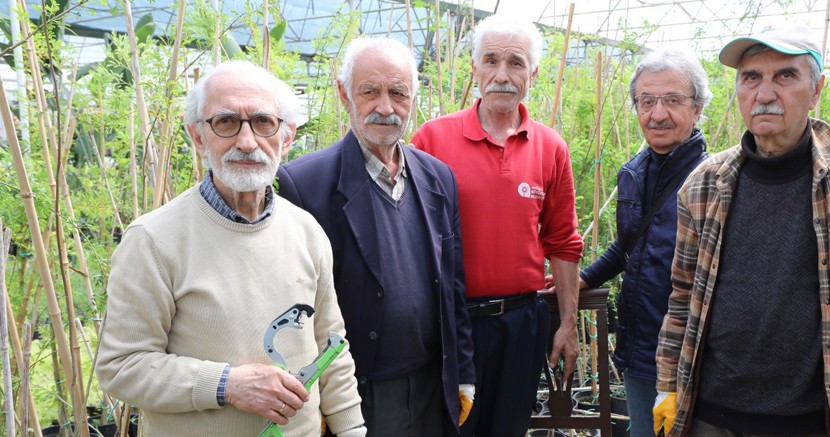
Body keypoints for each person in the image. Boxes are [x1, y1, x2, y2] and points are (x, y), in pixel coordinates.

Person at [653, 24, 830, 437]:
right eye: (751, 78)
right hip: (711, 414)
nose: (764, 94)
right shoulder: (705, 184)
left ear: (816, 89)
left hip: (816, 419)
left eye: (785, 75)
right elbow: (682, 295)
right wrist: (668, 385)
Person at [95, 61, 366, 436]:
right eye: (225, 122)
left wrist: (352, 429)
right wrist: (228, 385)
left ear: (286, 138)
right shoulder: (153, 240)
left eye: (263, 122)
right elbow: (122, 366)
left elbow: (331, 346)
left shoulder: (306, 231)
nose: (246, 141)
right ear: (197, 136)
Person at [275, 37, 475, 437]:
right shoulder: (303, 184)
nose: (385, 107)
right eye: (370, 91)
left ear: (414, 97)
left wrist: (463, 371)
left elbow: (453, 287)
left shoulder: (438, 178)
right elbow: (294, 307)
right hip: (358, 391)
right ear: (344, 94)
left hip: (431, 386)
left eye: (398, 93)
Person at [411, 14, 584, 437]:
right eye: (490, 61)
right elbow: (410, 235)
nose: (502, 75)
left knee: (509, 428)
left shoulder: (550, 146)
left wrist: (567, 324)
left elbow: (563, 241)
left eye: (516, 63)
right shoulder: (432, 140)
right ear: (475, 67)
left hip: (521, 323)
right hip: (451, 322)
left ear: (534, 73)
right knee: (451, 428)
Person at [569, 48, 711, 437]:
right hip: (639, 347)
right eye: (647, 101)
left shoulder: (715, 179)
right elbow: (629, 244)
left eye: (672, 101)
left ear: (697, 109)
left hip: (695, 353)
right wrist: (583, 279)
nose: (658, 113)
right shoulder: (633, 173)